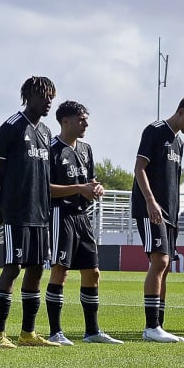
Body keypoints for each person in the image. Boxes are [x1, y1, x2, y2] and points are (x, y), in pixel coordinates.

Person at [0, 76, 59, 348]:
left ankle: (28, 333)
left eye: (51, 96)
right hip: (16, 212)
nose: (49, 101)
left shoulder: (46, 133)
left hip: (41, 213)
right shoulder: (11, 127)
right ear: (28, 96)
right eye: (43, 95)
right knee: (13, 267)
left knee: (36, 269)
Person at [133, 94, 184, 343]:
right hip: (151, 209)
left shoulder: (179, 143)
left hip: (170, 212)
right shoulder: (155, 131)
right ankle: (150, 326)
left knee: (165, 267)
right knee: (159, 261)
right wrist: (150, 201)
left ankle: (159, 325)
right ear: (181, 112)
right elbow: (139, 168)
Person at [45, 100, 119, 345]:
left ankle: (92, 331)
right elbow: (44, 189)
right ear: (65, 121)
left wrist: (96, 188)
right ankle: (55, 332)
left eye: (86, 118)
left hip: (82, 217)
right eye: (81, 119)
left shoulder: (86, 149)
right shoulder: (51, 149)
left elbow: (90, 179)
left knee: (93, 272)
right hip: (60, 215)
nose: (86, 122)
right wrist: (79, 188)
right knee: (60, 271)